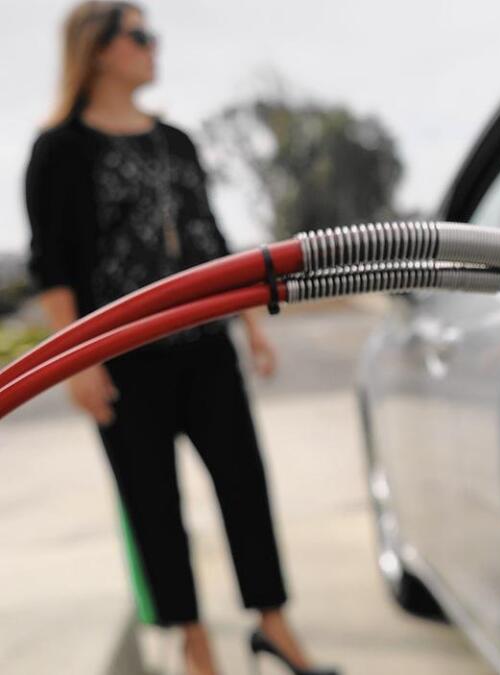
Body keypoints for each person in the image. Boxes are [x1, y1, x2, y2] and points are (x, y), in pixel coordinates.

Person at [23, 3, 336, 674]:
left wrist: (251, 325)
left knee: (245, 486)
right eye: (139, 36)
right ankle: (197, 650)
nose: (152, 47)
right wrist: (80, 362)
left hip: (205, 348)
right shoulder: (59, 150)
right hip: (123, 359)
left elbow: (211, 242)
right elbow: (53, 263)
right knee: (153, 504)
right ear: (98, 50)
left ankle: (274, 628)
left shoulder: (176, 141)